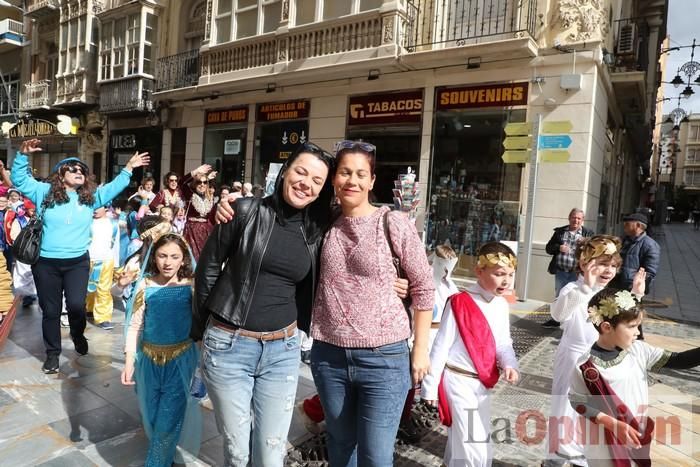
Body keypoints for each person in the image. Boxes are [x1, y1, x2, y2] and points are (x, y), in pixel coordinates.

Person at [194, 142, 337, 467]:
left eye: (317, 180)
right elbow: (208, 270)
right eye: (301, 172)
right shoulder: (243, 211)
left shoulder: (316, 230)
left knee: (271, 453)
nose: (306, 183)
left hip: (282, 351)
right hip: (229, 347)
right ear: (284, 171)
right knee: (238, 450)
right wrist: (200, 333)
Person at [309, 140, 434, 467]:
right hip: (329, 355)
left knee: (376, 456)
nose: (352, 181)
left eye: (360, 174)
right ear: (334, 178)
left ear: (372, 181)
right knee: (340, 448)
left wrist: (420, 349)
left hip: (384, 358)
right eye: (345, 172)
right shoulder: (323, 223)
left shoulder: (392, 222)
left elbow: (423, 286)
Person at [10, 138, 149, 374]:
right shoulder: (43, 192)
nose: (78, 172)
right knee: (51, 311)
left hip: (77, 263)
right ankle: (52, 354)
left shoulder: (90, 197)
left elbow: (114, 187)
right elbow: (20, 179)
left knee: (76, 305)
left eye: (82, 170)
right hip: (46, 263)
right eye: (72, 168)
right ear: (59, 174)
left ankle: (77, 333)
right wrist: (23, 155)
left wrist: (128, 168)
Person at [569, 288, 700, 467]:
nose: (638, 332)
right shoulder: (586, 367)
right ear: (606, 327)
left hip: (636, 432)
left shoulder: (638, 350)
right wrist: (613, 424)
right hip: (604, 441)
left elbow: (679, 360)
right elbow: (578, 402)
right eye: (632, 326)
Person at [544, 236, 643, 467]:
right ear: (585, 263)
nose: (608, 270)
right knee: (565, 411)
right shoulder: (573, 288)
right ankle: (555, 460)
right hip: (572, 360)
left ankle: (582, 458)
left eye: (612, 265)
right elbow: (558, 315)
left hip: (598, 363)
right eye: (601, 263)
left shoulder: (612, 295)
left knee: (593, 415)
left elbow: (625, 322)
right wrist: (585, 287)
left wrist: (636, 295)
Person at [421, 242, 519, 467]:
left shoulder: (501, 305)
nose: (506, 280)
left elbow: (503, 343)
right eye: (499, 273)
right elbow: (441, 347)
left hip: (481, 386)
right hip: (458, 381)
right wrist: (430, 387)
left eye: (511, 274)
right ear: (479, 271)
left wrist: (510, 364)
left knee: (468, 441)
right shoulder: (460, 302)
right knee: (472, 446)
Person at [121, 233, 201, 466]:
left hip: (180, 362)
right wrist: (129, 362)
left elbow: (200, 329)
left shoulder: (191, 287)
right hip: (148, 362)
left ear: (183, 259)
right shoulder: (145, 285)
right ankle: (165, 455)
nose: (168, 262)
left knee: (167, 420)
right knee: (153, 417)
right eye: (162, 255)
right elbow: (135, 325)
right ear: (154, 257)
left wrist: (201, 371)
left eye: (174, 256)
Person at [611, 212, 660, 340]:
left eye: (627, 224)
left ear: (638, 226)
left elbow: (650, 272)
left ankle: (636, 340)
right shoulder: (623, 240)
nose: (624, 226)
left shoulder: (650, 245)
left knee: (631, 316)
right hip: (615, 283)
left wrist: (636, 287)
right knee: (615, 314)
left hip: (630, 287)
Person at [544, 208, 594, 328]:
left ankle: (571, 323)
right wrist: (558, 247)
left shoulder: (588, 233)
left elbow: (594, 251)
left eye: (579, 218)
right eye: (574, 217)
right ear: (569, 217)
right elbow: (548, 248)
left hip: (576, 273)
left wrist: (586, 243)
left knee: (575, 297)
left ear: (582, 220)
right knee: (559, 296)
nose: (576, 220)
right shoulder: (560, 232)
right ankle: (555, 320)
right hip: (561, 271)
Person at [86, 206, 120, 330]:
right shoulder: (86, 221)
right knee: (87, 286)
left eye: (98, 206)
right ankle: (89, 308)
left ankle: (103, 317)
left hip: (106, 260)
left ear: (106, 207)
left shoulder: (113, 224)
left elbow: (115, 245)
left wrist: (116, 264)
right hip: (87, 259)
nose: (94, 209)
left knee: (104, 289)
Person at [180, 165, 216, 260]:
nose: (202, 184)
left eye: (205, 182)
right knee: (193, 257)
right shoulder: (190, 194)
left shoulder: (210, 197)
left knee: (206, 258)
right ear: (194, 183)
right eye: (199, 182)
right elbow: (181, 182)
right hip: (192, 230)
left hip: (207, 231)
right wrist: (195, 171)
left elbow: (212, 218)